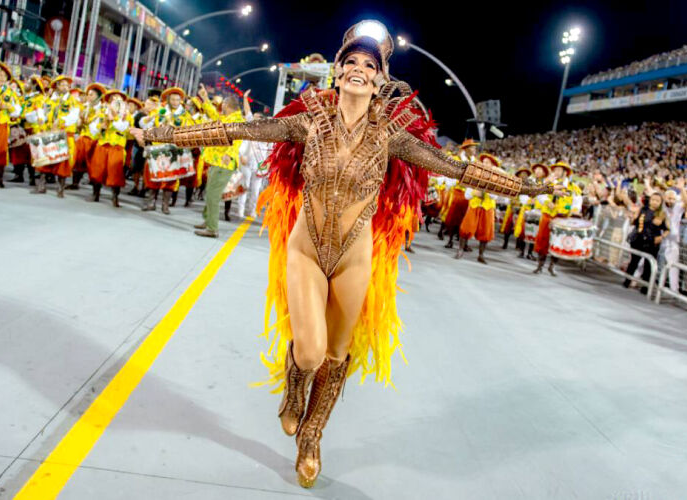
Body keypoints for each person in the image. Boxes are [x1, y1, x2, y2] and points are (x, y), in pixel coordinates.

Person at [134, 20, 554, 488]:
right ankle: (294, 390)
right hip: (306, 248)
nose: (358, 69)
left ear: (380, 80)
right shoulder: (307, 119)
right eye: (350, 62)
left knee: (337, 354)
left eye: (368, 65)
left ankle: (312, 436)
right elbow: (238, 127)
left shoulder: (394, 135)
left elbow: (455, 168)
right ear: (337, 72)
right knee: (310, 352)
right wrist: (167, 134)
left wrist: (519, 187)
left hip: (356, 256)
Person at [193, 84, 245, 237]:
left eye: (223, 106)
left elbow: (237, 141)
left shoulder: (237, 121)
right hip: (217, 161)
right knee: (210, 192)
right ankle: (208, 220)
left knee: (213, 195)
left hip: (224, 162)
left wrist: (229, 154)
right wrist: (204, 98)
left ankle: (212, 228)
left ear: (227, 106)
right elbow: (213, 115)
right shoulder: (227, 118)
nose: (221, 108)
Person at [139, 87, 192, 214]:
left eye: (178, 100)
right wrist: (152, 118)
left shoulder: (185, 115)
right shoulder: (160, 111)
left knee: (170, 179)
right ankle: (151, 202)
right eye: (173, 99)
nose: (175, 102)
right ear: (168, 100)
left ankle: (165, 205)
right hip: (158, 148)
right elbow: (143, 124)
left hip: (173, 150)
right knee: (153, 175)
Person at [33, 75, 80, 197]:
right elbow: (43, 112)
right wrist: (41, 119)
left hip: (63, 134)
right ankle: (41, 185)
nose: (65, 87)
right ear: (57, 86)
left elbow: (73, 117)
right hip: (49, 133)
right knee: (44, 160)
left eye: (67, 85)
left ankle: (60, 189)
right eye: (62, 84)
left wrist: (60, 122)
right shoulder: (49, 100)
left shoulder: (73, 101)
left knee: (63, 163)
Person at [533, 161, 582, 276]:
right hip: (548, 215)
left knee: (558, 243)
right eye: (555, 170)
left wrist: (570, 209)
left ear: (565, 172)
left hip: (562, 218)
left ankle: (552, 266)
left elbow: (576, 203)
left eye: (559, 170)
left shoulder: (573, 188)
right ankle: (540, 265)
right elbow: (539, 194)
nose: (556, 172)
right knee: (543, 241)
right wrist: (547, 202)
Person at [87, 90, 132, 207]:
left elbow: (122, 128)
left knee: (115, 173)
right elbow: (93, 130)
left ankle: (115, 197)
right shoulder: (102, 113)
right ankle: (95, 194)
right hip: (102, 145)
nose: (116, 100)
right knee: (97, 170)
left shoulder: (126, 115)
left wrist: (115, 117)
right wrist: (99, 126)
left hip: (117, 147)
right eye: (113, 98)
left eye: (119, 99)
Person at [623, 192, 669, 295]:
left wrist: (661, 237)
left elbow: (667, 229)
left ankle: (645, 287)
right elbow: (634, 222)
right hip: (639, 239)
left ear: (661, 202)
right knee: (634, 262)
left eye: (657, 200)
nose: (655, 202)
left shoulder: (662, 214)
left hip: (652, 242)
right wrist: (631, 218)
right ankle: (627, 281)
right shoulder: (643, 210)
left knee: (649, 265)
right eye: (653, 199)